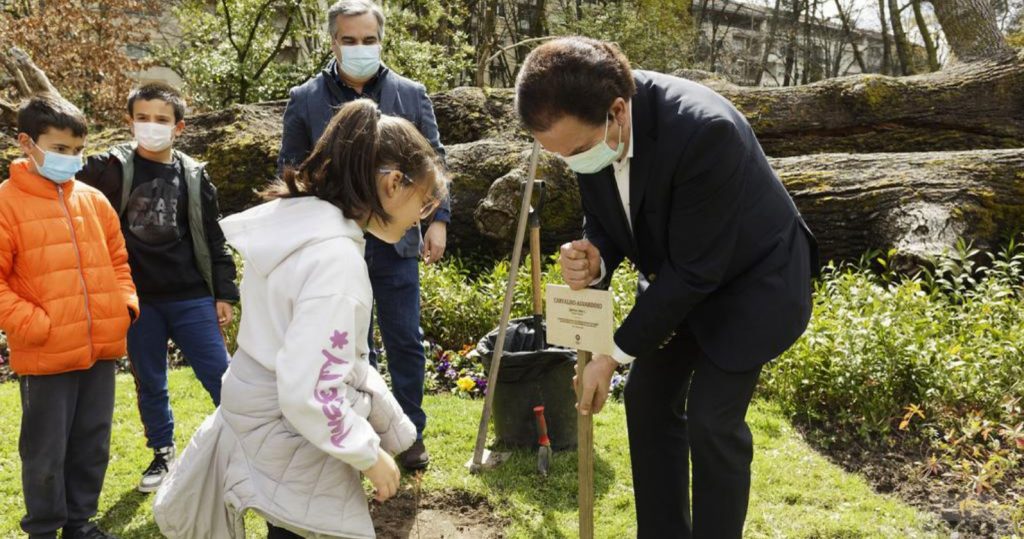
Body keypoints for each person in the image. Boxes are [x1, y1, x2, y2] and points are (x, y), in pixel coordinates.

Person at [515, 37, 819, 538]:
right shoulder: (592, 130)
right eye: (560, 157)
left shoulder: (706, 132)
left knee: (711, 421)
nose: (573, 164)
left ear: (617, 110)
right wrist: (597, 255)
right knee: (648, 400)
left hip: (753, 284)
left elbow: (696, 271)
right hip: (680, 280)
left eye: (576, 152)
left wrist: (611, 353)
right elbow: (609, 216)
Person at [152, 99, 444, 538]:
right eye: (422, 204)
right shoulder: (336, 263)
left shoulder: (296, 228)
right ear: (392, 185)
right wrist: (368, 454)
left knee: (285, 524)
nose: (418, 220)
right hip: (292, 429)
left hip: (258, 410)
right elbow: (309, 390)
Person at [278, 0, 449, 470]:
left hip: (398, 241)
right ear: (333, 41)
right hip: (334, 244)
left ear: (381, 40)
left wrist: (438, 219)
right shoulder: (306, 98)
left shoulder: (411, 94)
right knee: (351, 346)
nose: (359, 48)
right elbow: (291, 170)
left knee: (405, 339)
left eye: (368, 40)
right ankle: (359, 436)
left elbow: (435, 159)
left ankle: (409, 434)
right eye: (349, 40)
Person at [77, 82, 239, 493]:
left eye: (162, 120)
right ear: (129, 123)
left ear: (179, 127)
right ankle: (162, 452)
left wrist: (224, 293)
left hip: (190, 295)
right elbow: (65, 164)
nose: (152, 126)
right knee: (150, 380)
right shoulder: (112, 168)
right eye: (143, 118)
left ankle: (244, 441)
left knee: (221, 375)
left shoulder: (194, 175)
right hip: (136, 300)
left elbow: (213, 238)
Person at [4, 94, 138, 539]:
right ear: (27, 142)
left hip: (100, 347)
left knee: (92, 444)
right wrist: (34, 325)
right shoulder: (5, 203)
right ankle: (43, 528)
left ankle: (80, 524)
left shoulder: (95, 201)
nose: (71, 159)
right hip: (45, 353)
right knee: (44, 452)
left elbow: (119, 262)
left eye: (78, 150)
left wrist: (124, 307)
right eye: (60, 149)